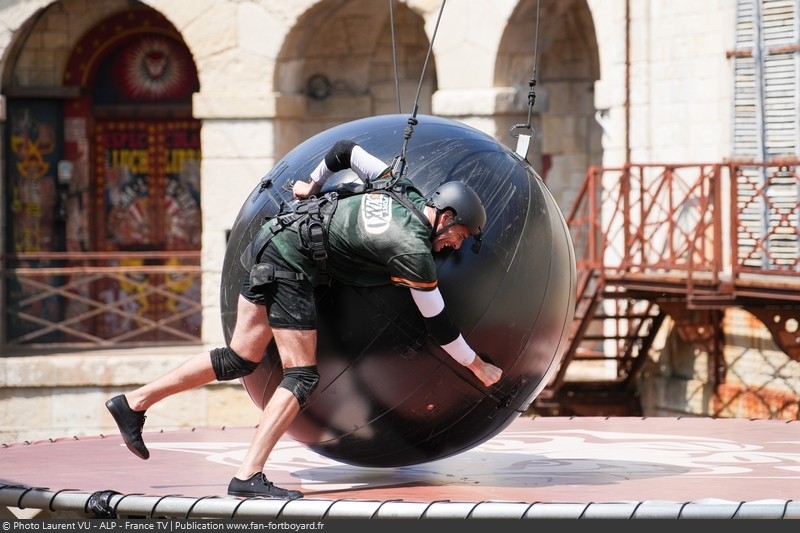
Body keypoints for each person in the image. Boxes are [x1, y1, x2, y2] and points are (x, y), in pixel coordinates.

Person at [105, 139, 503, 500]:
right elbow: (437, 322)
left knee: (240, 358)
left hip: (271, 239)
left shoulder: (400, 187)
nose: (457, 246)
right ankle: (248, 474)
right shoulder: (411, 249)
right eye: (461, 235)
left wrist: (313, 184)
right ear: (447, 216)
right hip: (290, 265)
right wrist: (477, 365)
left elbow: (346, 151)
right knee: (301, 377)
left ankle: (133, 403)